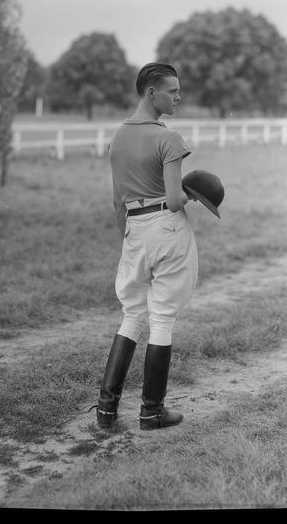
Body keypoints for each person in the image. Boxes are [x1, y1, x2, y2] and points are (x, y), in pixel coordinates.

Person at [95, 62, 198, 431]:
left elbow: (116, 204)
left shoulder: (118, 137)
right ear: (152, 93)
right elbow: (172, 199)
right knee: (163, 316)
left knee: (133, 314)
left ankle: (106, 410)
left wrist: (134, 235)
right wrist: (194, 193)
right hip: (166, 228)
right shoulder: (168, 138)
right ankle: (151, 411)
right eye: (172, 90)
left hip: (134, 229)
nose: (178, 96)